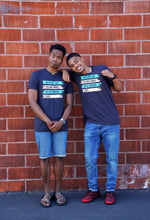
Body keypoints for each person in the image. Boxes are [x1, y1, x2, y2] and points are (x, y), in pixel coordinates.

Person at [64, 53, 121, 205]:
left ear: (82, 59)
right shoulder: (75, 76)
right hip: (92, 125)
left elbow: (119, 88)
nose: (75, 66)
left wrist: (112, 76)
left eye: (76, 61)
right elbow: (63, 72)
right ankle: (93, 190)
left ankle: (110, 191)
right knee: (89, 159)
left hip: (111, 123)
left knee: (112, 159)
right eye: (72, 65)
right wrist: (65, 71)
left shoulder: (101, 69)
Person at [28, 44, 74, 207]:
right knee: (45, 158)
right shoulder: (37, 75)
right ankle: (47, 192)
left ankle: (58, 191)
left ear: (62, 60)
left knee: (60, 157)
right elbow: (32, 101)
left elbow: (69, 104)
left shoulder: (65, 78)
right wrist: (47, 121)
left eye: (59, 57)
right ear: (49, 56)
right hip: (42, 126)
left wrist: (61, 121)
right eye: (53, 56)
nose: (55, 59)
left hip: (61, 125)